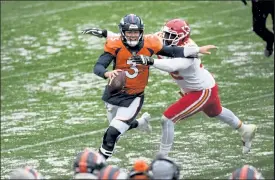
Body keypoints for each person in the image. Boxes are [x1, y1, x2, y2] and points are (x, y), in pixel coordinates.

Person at [83, 18, 257, 156]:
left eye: (171, 35)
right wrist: (107, 33)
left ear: (182, 37)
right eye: (166, 33)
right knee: (216, 112)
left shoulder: (190, 50)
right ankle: (244, 129)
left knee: (167, 119)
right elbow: (138, 38)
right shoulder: (165, 37)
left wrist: (150, 61)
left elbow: (172, 65)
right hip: (199, 87)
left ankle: (162, 157)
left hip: (201, 91)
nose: (166, 37)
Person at [91, 14, 217, 160]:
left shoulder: (150, 43)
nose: (132, 35)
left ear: (141, 32)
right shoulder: (115, 44)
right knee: (116, 129)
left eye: (136, 32)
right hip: (113, 93)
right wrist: (107, 74)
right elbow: (98, 66)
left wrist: (196, 50)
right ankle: (140, 123)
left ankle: (98, 164)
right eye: (129, 32)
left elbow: (173, 51)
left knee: (112, 133)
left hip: (134, 96)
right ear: (123, 32)